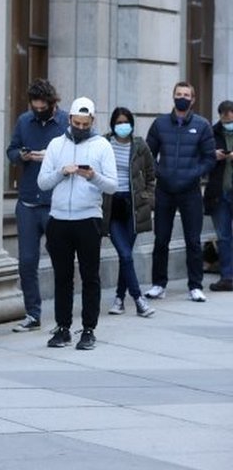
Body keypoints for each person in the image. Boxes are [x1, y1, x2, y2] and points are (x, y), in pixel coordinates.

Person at [38, 97, 117, 350]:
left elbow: (113, 186)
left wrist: (92, 176)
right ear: (69, 119)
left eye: (85, 123)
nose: (81, 127)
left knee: (89, 276)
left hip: (88, 219)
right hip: (59, 219)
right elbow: (42, 183)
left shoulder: (102, 146)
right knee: (62, 277)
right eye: (76, 122)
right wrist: (62, 172)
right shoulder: (55, 145)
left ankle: (89, 329)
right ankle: (62, 327)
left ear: (92, 121)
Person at [5, 79, 69, 332]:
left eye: (43, 108)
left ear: (52, 104)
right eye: (35, 107)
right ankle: (33, 314)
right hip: (29, 201)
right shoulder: (24, 121)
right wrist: (22, 155)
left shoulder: (65, 123)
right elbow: (10, 151)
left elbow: (76, 154)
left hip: (56, 202)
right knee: (27, 262)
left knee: (61, 261)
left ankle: (64, 318)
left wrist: (50, 157)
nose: (38, 111)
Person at [144, 81, 216, 302]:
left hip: (191, 191)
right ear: (173, 96)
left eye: (186, 94)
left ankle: (195, 286)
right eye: (178, 94)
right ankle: (158, 284)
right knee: (161, 240)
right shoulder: (160, 124)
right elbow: (148, 154)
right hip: (164, 191)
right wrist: (160, 173)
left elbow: (209, 158)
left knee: (193, 241)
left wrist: (193, 174)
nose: (182, 97)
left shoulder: (202, 125)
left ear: (193, 99)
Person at [103, 107, 157, 317]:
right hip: (112, 206)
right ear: (113, 125)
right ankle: (138, 299)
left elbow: (151, 174)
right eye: (118, 122)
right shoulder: (104, 143)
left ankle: (119, 299)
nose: (122, 126)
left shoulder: (140, 145)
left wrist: (148, 198)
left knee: (126, 257)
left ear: (132, 124)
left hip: (133, 207)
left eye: (125, 122)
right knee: (125, 254)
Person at [204, 100, 233, 292]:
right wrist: (213, 156)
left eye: (231, 113)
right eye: (224, 113)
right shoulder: (211, 133)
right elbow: (201, 159)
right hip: (219, 193)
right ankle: (227, 277)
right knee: (223, 237)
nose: (228, 117)